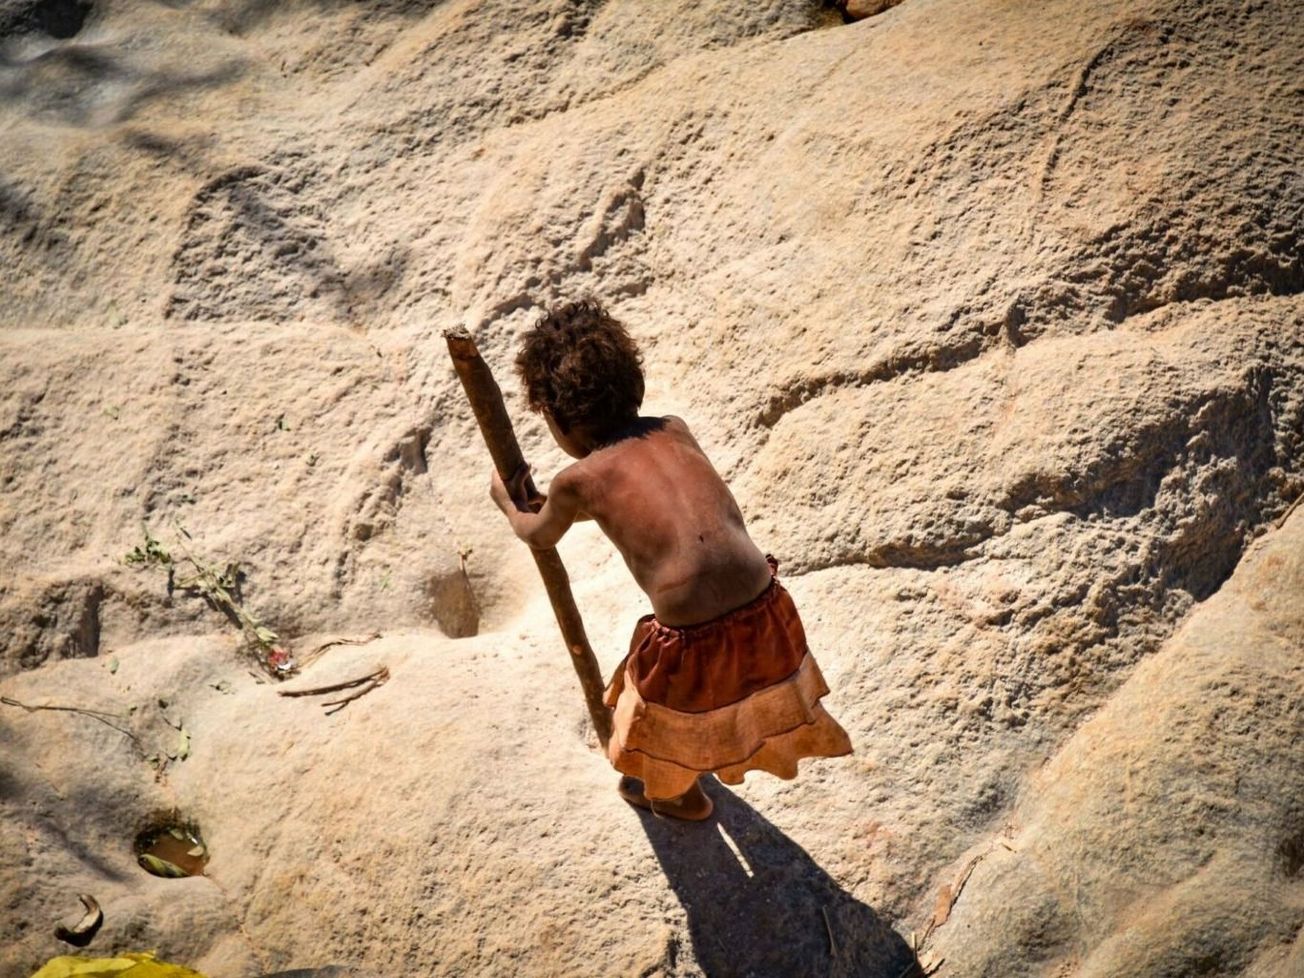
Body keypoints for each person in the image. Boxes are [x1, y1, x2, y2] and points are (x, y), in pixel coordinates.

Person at [490, 299, 852, 820]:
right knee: (725, 696)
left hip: (689, 634)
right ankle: (695, 772)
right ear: (633, 386)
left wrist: (508, 503)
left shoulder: (575, 481)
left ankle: (679, 796)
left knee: (654, 720)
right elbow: (640, 507)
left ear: (558, 420)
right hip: (767, 605)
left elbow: (540, 535)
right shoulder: (675, 429)